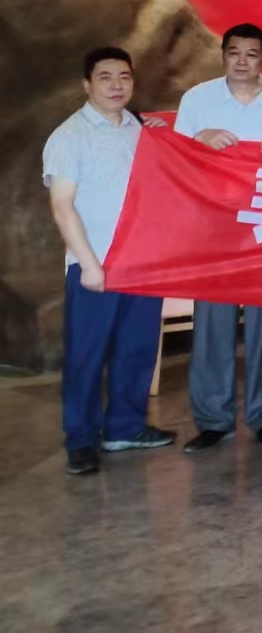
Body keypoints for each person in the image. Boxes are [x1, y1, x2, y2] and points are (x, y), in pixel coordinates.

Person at [175, 23, 262, 453]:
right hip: (214, 228)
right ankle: (213, 420)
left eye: (251, 54)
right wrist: (198, 139)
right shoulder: (197, 99)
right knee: (211, 327)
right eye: (234, 52)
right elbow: (174, 159)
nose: (241, 61)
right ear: (222, 55)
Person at [44, 47, 176, 474]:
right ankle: (81, 439)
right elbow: (62, 207)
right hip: (95, 265)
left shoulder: (139, 128)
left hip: (142, 261)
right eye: (105, 77)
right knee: (86, 355)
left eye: (124, 77)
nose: (116, 85)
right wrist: (89, 264)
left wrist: (158, 131)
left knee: (137, 349)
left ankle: (124, 427)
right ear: (87, 85)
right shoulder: (69, 136)